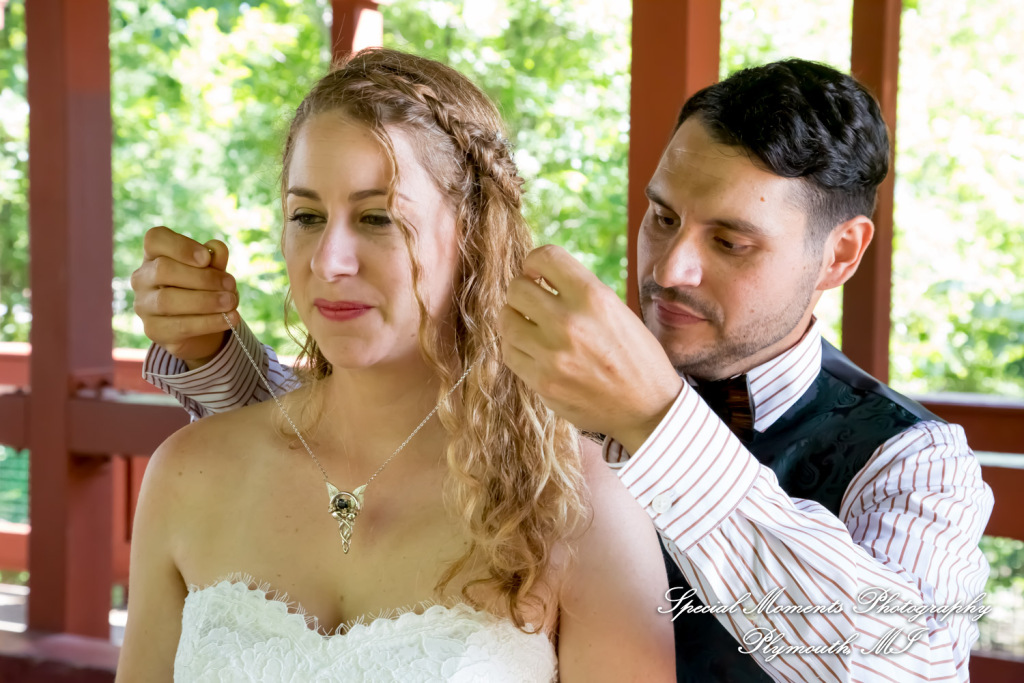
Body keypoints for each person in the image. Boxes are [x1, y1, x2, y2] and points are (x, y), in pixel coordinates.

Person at [134, 59, 993, 682]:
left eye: (730, 239)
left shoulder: (912, 463)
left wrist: (659, 421)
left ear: (841, 252)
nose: (671, 268)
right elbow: (361, 451)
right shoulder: (549, 372)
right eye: (661, 217)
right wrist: (217, 358)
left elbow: (907, 665)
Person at [117, 48, 675, 682]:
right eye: (307, 216)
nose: (330, 261)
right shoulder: (189, 473)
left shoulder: (578, 500)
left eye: (376, 217)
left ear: (473, 233)